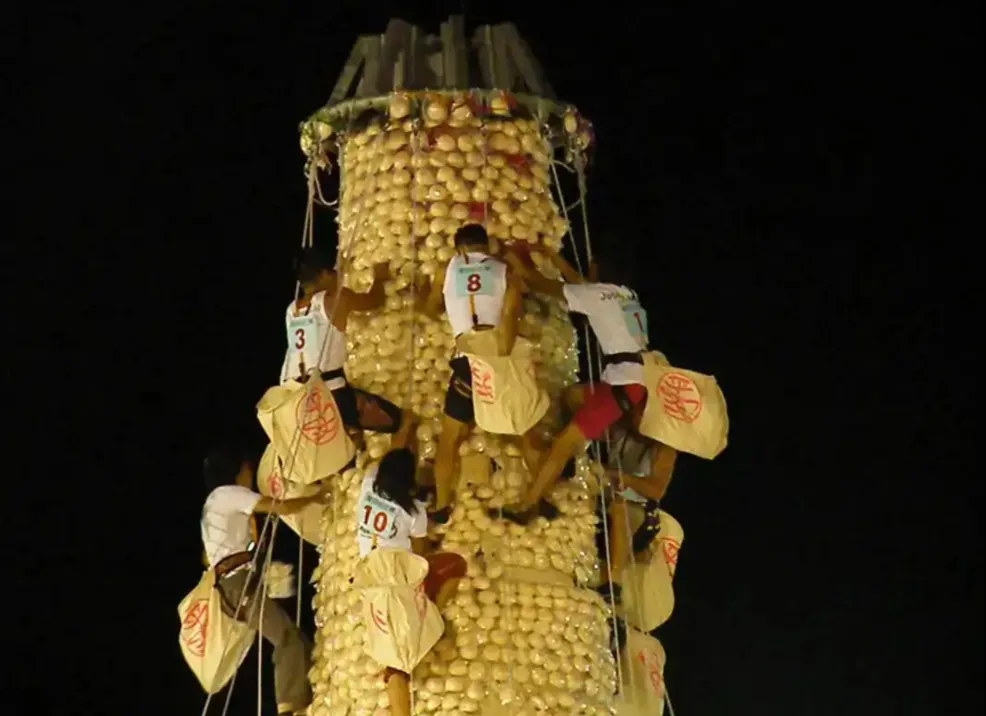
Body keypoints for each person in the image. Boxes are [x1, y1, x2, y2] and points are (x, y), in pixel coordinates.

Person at [499, 251, 655, 524]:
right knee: (572, 397)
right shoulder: (625, 294)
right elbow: (581, 286)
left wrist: (516, 261)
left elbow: (542, 284)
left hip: (621, 385)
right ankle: (573, 448)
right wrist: (550, 256)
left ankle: (529, 504)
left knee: (563, 442)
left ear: (599, 269)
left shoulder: (598, 295)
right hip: (633, 379)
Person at [420, 224, 536, 523]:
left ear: (459, 249)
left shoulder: (446, 270)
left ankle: (442, 504)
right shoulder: (504, 269)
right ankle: (538, 495)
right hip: (498, 358)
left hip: (467, 360)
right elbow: (513, 313)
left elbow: (430, 309)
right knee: (522, 430)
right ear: (486, 246)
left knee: (450, 438)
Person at [201, 441, 322, 716]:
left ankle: (304, 701)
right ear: (235, 470)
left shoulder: (212, 506)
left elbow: (209, 557)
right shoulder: (227, 494)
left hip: (232, 584)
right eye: (246, 469)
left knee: (299, 642)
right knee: (286, 637)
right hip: (237, 583)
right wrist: (316, 497)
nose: (249, 475)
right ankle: (289, 709)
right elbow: (280, 507)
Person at [354, 445, 467, 716]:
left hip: (369, 573)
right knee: (456, 565)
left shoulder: (369, 481)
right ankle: (430, 612)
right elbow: (419, 557)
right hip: (396, 583)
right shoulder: (414, 512)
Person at [280, 246, 407, 436]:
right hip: (328, 394)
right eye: (334, 272)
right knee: (396, 419)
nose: (338, 276)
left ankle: (351, 435)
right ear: (323, 274)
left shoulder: (292, 310)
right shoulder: (336, 299)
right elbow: (375, 300)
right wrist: (380, 277)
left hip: (293, 397)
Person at [593, 421, 677, 605]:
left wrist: (623, 478)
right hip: (604, 495)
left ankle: (613, 583)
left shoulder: (663, 449)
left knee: (620, 507)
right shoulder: (620, 426)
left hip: (638, 508)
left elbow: (656, 490)